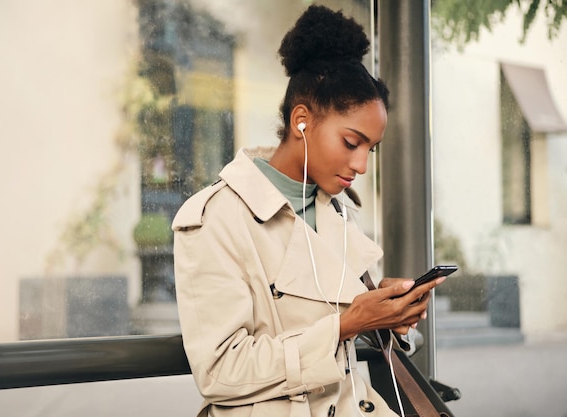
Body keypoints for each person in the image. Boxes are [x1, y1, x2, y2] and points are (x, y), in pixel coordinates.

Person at [172, 5, 446, 417]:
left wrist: (380, 311)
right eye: (351, 142)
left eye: (371, 149)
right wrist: (347, 323)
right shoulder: (215, 217)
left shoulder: (336, 209)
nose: (361, 165)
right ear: (302, 121)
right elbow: (220, 370)